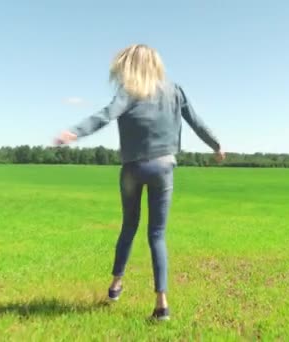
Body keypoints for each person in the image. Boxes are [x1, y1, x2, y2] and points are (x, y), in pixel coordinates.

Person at [55, 44, 224, 320]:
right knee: (157, 234)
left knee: (129, 227)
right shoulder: (175, 91)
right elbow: (197, 122)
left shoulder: (129, 91)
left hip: (133, 168)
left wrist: (74, 132)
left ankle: (116, 284)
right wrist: (217, 146)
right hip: (163, 167)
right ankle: (161, 304)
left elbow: (105, 115)